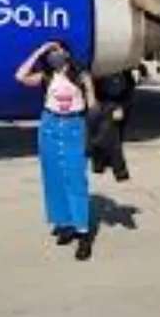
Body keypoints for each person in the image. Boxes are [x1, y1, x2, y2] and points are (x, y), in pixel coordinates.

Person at [16, 40, 98, 261]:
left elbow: (92, 104)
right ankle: (65, 224)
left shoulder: (81, 75)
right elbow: (20, 76)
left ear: (67, 53)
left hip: (74, 126)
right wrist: (39, 50)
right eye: (51, 52)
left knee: (75, 179)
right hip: (50, 127)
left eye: (58, 50)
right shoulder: (46, 76)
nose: (54, 55)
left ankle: (83, 233)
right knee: (54, 179)